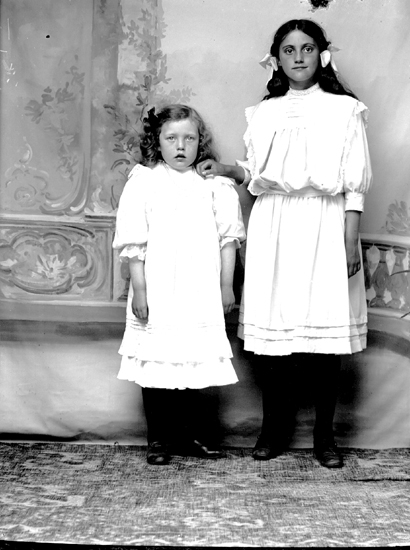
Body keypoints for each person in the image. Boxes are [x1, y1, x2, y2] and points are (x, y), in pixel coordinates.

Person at [197, 19, 372, 468]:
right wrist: (227, 169)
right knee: (274, 339)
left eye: (307, 48)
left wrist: (349, 240)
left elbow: (354, 183)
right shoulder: (265, 112)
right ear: (276, 59)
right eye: (289, 49)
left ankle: (324, 438)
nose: (298, 57)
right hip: (274, 222)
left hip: (324, 221)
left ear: (322, 55)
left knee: (324, 338)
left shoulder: (345, 109)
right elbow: (257, 174)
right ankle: (272, 430)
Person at [113, 104, 246, 465]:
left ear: (200, 142)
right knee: (157, 362)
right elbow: (135, 244)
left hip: (199, 288)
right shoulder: (144, 181)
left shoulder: (215, 184)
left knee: (193, 361)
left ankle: (190, 436)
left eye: (189, 138)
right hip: (158, 286)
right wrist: (141, 290)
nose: (181, 146)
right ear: (157, 142)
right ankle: (158, 439)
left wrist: (226, 286)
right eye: (171, 138)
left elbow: (228, 240)